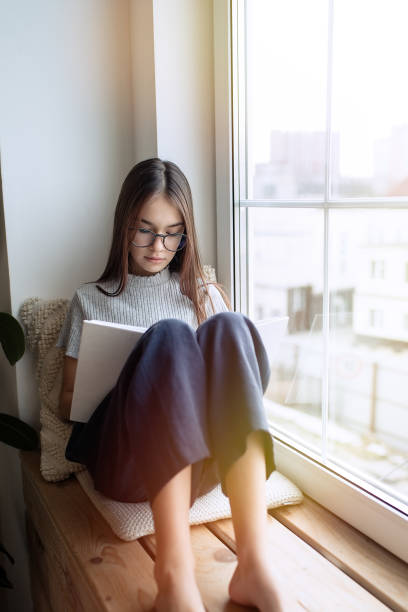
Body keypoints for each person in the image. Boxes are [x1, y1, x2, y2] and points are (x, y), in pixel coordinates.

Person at [57, 158, 283, 611]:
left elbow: (238, 387)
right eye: (144, 229)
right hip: (125, 461)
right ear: (124, 226)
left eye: (172, 231)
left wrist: (212, 306)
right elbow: (67, 406)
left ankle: (254, 564)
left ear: (185, 233)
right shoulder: (88, 299)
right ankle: (173, 574)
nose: (158, 245)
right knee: (170, 335)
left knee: (230, 325)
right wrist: (131, 379)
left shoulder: (203, 292)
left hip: (195, 466)